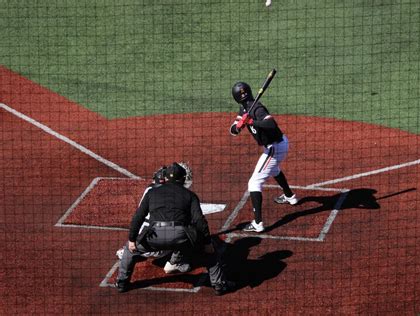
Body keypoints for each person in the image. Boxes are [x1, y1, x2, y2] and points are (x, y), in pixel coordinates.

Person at [115, 162, 234, 295]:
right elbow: (200, 221)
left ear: (165, 178)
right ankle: (219, 285)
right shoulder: (190, 195)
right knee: (210, 252)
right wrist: (206, 244)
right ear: (183, 179)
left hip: (154, 235)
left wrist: (132, 240)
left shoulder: (151, 193)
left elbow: (138, 217)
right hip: (180, 236)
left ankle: (122, 283)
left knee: (129, 251)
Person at [229, 81, 298, 233]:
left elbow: (271, 124)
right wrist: (239, 125)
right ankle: (290, 196)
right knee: (273, 169)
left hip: (275, 147)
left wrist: (252, 121)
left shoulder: (257, 108)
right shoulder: (244, 108)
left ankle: (258, 223)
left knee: (254, 182)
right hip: (278, 145)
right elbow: (233, 131)